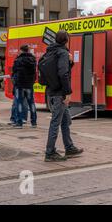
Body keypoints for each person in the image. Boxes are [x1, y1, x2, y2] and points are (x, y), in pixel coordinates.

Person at [41, 31, 83, 162]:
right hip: (60, 93)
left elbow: (58, 69)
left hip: (51, 90)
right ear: (66, 40)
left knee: (65, 121)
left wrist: (70, 62)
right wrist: (68, 92)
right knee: (55, 122)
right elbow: (63, 73)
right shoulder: (63, 53)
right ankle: (50, 152)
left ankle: (69, 147)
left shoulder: (50, 51)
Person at [12, 45, 37, 129]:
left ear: (21, 50)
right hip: (29, 84)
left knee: (19, 103)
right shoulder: (33, 60)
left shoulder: (18, 60)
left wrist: (15, 82)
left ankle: (19, 123)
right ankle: (34, 122)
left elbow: (14, 71)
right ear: (28, 50)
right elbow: (34, 73)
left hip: (20, 85)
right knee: (31, 103)